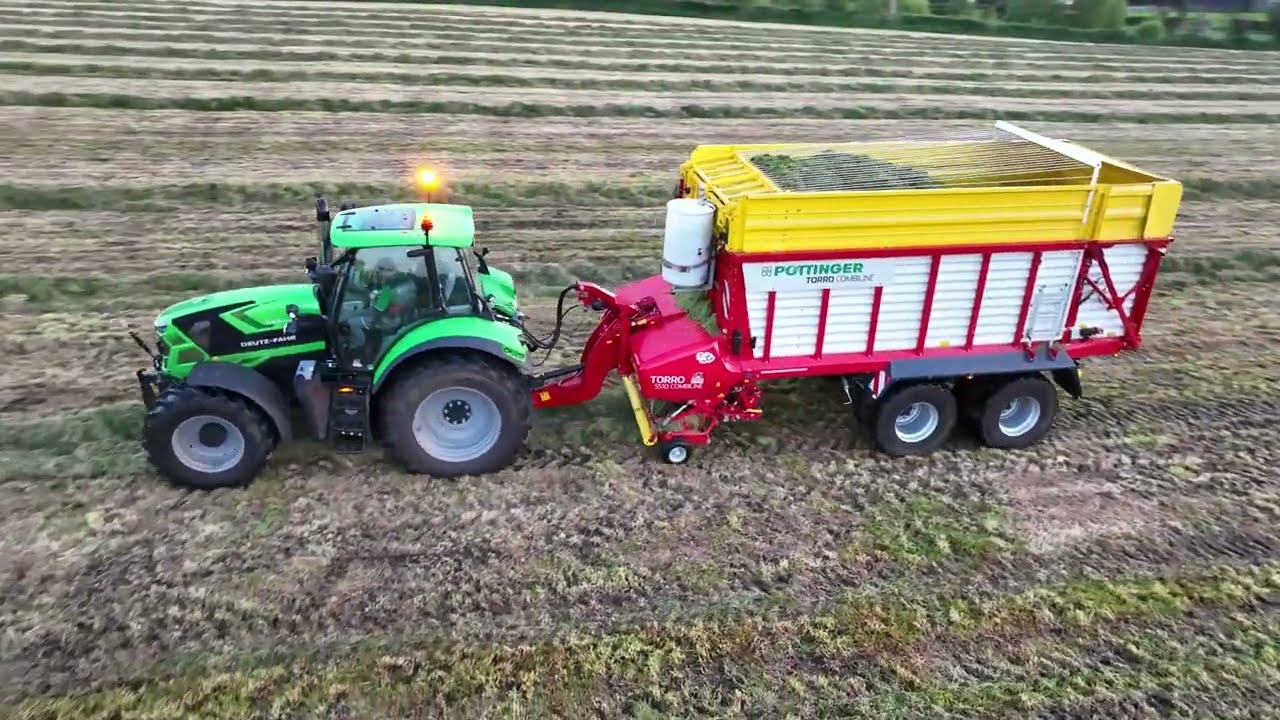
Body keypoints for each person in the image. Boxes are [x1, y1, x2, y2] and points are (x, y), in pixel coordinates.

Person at [344, 255, 419, 363]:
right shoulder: (406, 282)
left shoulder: (389, 288)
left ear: (394, 270)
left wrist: (373, 297)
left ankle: (357, 352)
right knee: (353, 314)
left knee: (350, 322)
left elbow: (378, 309)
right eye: (381, 270)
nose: (384, 273)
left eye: (388, 270)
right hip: (398, 317)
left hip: (386, 321)